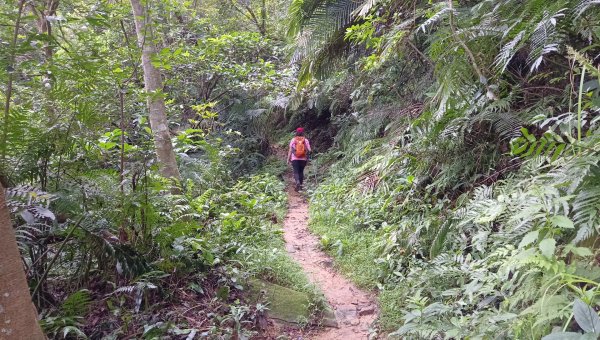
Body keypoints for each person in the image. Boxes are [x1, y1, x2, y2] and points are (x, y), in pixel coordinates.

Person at [287, 127, 312, 191]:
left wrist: (288, 159)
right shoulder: (305, 140)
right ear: (303, 132)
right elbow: (309, 150)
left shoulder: (293, 140)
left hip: (294, 158)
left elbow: (290, 150)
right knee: (301, 172)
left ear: (296, 132)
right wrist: (309, 157)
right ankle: (300, 185)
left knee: (296, 171)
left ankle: (297, 182)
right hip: (303, 159)